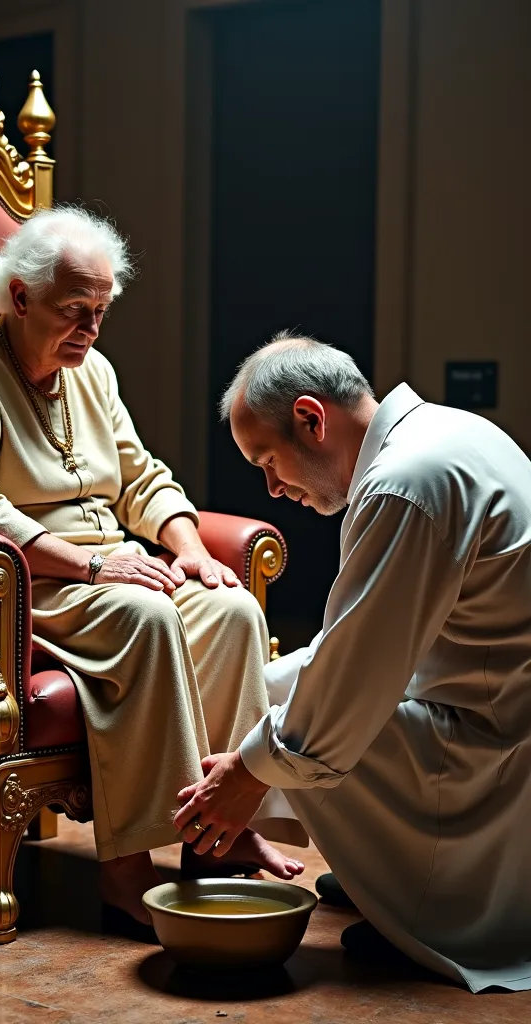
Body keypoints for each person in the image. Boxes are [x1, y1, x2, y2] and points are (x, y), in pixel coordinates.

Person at [0, 209, 302, 934]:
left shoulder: (93, 372)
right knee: (149, 618)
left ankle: (219, 830)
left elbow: (140, 480)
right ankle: (127, 869)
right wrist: (93, 562)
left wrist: (185, 548)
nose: (91, 330)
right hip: (25, 585)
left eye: (101, 311)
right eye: (74, 313)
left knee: (233, 609)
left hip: (109, 568)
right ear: (20, 298)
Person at [175, 333, 531, 992]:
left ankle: (430, 910)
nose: (272, 489)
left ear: (312, 419)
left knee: (303, 726)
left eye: (268, 460)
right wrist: (240, 723)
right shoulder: (443, 433)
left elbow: (350, 685)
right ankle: (384, 869)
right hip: (486, 708)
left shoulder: (406, 482)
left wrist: (247, 775)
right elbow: (352, 649)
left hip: (494, 754)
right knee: (276, 694)